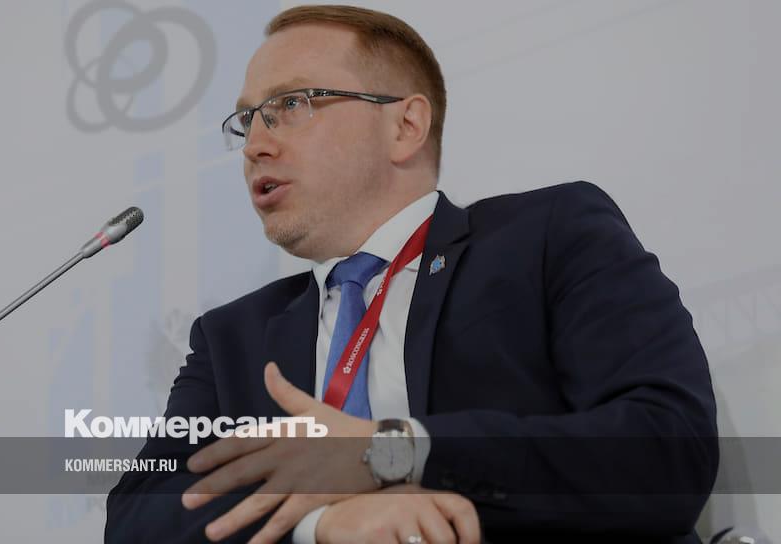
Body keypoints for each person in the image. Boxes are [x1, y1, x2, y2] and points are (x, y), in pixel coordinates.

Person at [106, 5, 718, 543]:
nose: (254, 145)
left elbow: (668, 450)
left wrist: (389, 452)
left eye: (291, 104)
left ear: (405, 126)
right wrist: (319, 525)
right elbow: (138, 517)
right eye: (248, 120)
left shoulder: (547, 236)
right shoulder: (231, 338)